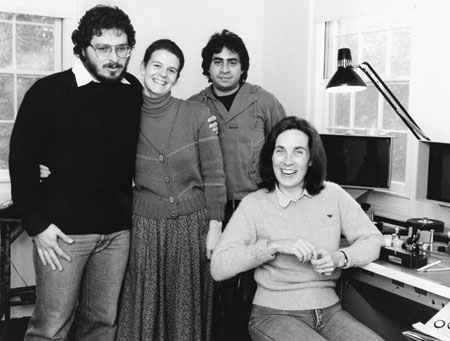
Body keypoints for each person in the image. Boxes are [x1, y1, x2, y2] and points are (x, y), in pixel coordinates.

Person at [8, 5, 142, 340]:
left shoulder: (131, 91)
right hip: (63, 235)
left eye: (122, 48)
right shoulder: (48, 92)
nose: (114, 57)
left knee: (101, 325)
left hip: (116, 234)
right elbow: (22, 161)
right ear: (82, 48)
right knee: (51, 328)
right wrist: (37, 227)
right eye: (103, 48)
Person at [211, 116, 385, 341]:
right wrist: (273, 247)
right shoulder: (254, 204)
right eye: (280, 151)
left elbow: (373, 239)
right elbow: (219, 266)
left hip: (330, 312)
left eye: (298, 152)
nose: (287, 162)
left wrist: (340, 257)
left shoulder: (332, 194)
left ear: (311, 159)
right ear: (271, 156)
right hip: (272, 314)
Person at [115, 39, 227, 341]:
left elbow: (215, 174)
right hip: (145, 229)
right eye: (157, 65)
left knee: (184, 316)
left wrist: (215, 227)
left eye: (171, 70)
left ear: (177, 77)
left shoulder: (197, 114)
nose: (162, 74)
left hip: (192, 229)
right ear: (142, 67)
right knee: (143, 312)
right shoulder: (123, 114)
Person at [188, 28, 287, 340]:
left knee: (249, 291)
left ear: (243, 67)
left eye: (233, 61)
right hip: (210, 214)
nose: (225, 68)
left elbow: (286, 153)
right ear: (208, 67)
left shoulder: (264, 102)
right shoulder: (193, 106)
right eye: (218, 61)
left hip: (253, 211)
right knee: (212, 286)